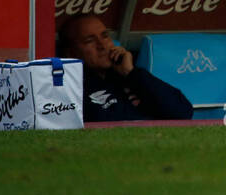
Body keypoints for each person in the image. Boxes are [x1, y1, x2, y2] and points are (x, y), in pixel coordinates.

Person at [60, 14, 193, 122]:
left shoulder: (129, 75)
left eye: (105, 36)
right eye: (90, 41)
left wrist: (131, 73)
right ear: (71, 53)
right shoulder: (71, 88)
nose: (102, 45)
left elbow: (183, 112)